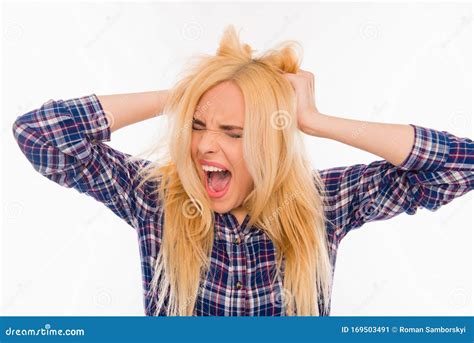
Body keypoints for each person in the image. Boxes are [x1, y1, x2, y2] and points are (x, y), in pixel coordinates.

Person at [12, 25, 473, 316]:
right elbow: (39, 136)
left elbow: (459, 166)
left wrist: (317, 122)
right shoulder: (153, 197)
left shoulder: (325, 202)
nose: (206, 145)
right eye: (197, 125)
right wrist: (182, 94)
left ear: (270, 142)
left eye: (233, 132)